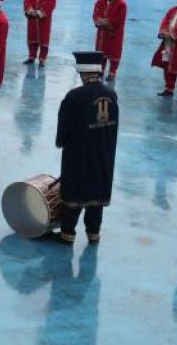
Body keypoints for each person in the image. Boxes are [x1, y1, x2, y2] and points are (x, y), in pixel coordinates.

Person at [48, 51, 119, 245]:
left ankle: (67, 233)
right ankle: (93, 233)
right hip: (104, 152)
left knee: (75, 191)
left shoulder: (74, 97)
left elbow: (64, 129)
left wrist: (61, 142)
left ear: (82, 73)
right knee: (97, 191)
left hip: (79, 154)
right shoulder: (111, 94)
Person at [92, 0, 127, 81]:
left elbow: (118, 20)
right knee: (100, 53)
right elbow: (95, 14)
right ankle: (100, 71)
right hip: (102, 33)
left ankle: (112, 72)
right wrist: (98, 21)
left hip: (114, 33)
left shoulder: (122, 4)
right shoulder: (99, 1)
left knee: (114, 53)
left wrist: (105, 21)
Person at [22, 0, 57, 66]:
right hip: (32, 18)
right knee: (32, 37)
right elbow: (27, 0)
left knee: (44, 38)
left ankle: (42, 58)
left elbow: (51, 4)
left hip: (44, 20)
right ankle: (31, 56)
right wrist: (29, 10)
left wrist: (40, 12)